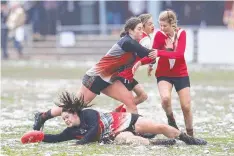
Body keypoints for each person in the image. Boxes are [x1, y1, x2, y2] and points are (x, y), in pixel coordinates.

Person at [33, 17, 157, 131]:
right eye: (139, 29)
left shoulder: (134, 44)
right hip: (95, 78)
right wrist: (159, 51)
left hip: (110, 80)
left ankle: (131, 131)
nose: (141, 32)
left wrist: (153, 55)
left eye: (142, 29)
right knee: (74, 107)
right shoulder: (127, 42)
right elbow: (145, 52)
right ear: (130, 30)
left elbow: (146, 57)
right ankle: (43, 116)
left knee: (131, 104)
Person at [22, 92, 207, 145]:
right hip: (118, 134)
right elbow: (56, 138)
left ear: (75, 112)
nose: (66, 121)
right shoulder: (71, 131)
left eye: (67, 117)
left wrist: (81, 143)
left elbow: (95, 129)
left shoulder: (88, 114)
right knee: (129, 140)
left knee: (159, 126)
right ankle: (158, 144)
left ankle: (186, 138)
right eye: (63, 120)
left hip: (127, 121)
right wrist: (39, 137)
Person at [146, 9, 194, 136]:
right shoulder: (159, 35)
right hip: (164, 73)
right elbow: (153, 53)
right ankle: (171, 120)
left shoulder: (181, 33)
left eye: (165, 25)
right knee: (165, 99)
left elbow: (179, 54)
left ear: (172, 23)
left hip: (181, 73)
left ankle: (190, 134)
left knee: (186, 106)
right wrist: (149, 64)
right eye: (160, 25)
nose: (162, 28)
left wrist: (160, 52)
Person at [114, 13, 155, 112]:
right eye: (149, 24)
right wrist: (147, 61)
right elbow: (148, 55)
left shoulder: (139, 37)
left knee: (142, 96)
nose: (153, 26)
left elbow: (145, 56)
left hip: (128, 75)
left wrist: (150, 63)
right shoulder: (144, 39)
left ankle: (117, 112)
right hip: (124, 76)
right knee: (132, 107)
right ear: (142, 26)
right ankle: (116, 116)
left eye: (153, 23)